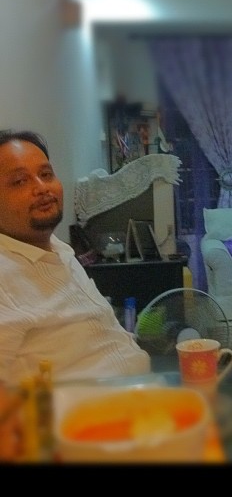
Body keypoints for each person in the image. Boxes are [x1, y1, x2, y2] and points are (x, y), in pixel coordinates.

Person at [0, 129, 150, 388]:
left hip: (142, 399)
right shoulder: (5, 277)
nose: (41, 188)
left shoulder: (60, 250)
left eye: (45, 175)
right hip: (87, 422)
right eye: (20, 181)